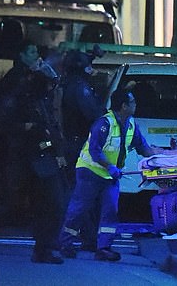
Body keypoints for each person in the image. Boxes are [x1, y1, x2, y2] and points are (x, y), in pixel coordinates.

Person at [0, 45, 66, 264]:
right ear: (21, 55)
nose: (38, 58)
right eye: (32, 53)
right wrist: (27, 127)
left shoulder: (39, 82)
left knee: (54, 204)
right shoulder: (13, 82)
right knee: (14, 207)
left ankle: (43, 250)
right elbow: (2, 122)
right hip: (21, 154)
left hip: (42, 154)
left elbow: (53, 89)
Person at [59, 89, 161, 262]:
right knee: (79, 209)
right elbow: (94, 150)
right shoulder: (104, 124)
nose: (135, 104)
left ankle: (104, 248)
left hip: (110, 176)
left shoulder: (131, 125)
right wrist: (110, 167)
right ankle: (65, 243)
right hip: (90, 172)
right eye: (133, 102)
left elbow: (143, 147)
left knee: (110, 210)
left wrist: (159, 159)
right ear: (123, 106)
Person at [61, 48, 106, 184]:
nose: (91, 70)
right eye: (88, 66)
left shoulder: (69, 83)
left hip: (71, 139)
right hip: (77, 141)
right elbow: (93, 114)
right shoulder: (80, 88)